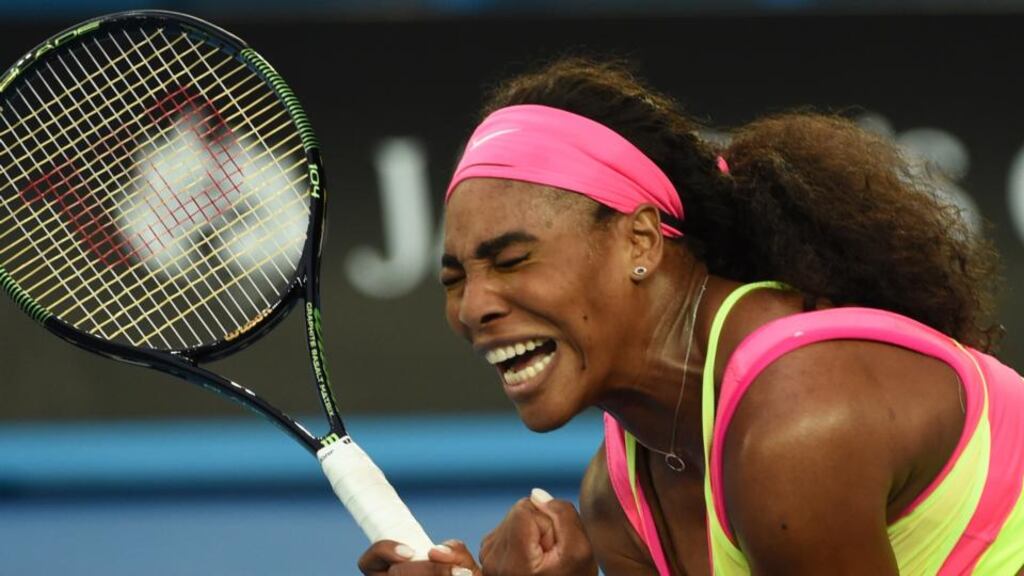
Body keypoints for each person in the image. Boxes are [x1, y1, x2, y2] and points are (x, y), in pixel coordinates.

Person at [358, 57, 1024, 575]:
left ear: (641, 242)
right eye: (455, 279)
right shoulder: (617, 498)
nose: (474, 307)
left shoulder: (799, 422)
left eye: (512, 260)